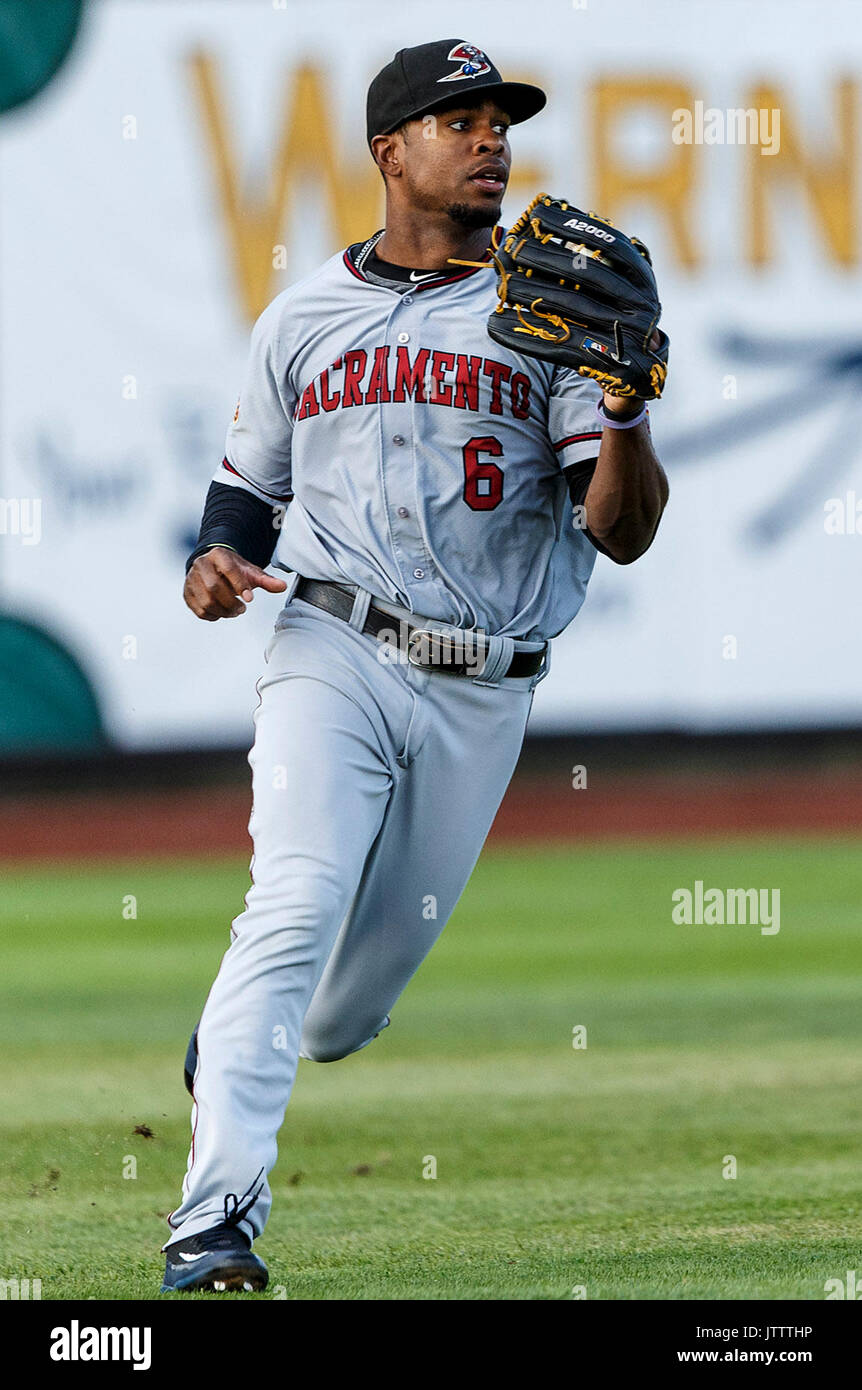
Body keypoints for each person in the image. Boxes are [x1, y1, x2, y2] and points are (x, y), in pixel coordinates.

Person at [161, 38, 669, 1293]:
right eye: (461, 120)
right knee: (288, 907)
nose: (491, 139)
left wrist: (622, 409)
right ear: (391, 151)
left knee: (335, 1015)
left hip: (484, 687)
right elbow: (237, 508)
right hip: (328, 644)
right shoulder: (302, 318)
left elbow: (622, 530)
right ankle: (212, 1224)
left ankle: (246, 1034)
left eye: (501, 121)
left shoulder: (545, 319)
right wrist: (211, 572)